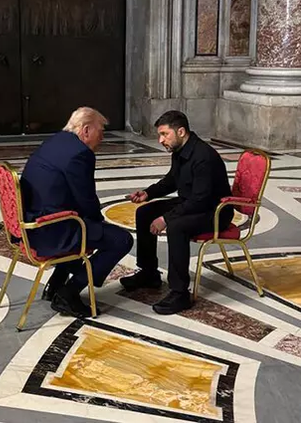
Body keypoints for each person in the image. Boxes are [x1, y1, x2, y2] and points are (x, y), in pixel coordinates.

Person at [20, 107, 134, 318]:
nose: (102, 137)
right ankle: (69, 292)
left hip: (32, 225)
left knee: (85, 226)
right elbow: (86, 199)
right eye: (101, 131)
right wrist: (99, 227)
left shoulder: (55, 141)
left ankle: (55, 284)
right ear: (86, 130)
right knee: (120, 240)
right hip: (51, 231)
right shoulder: (80, 154)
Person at [120, 110, 232, 314]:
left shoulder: (203, 157)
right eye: (160, 135)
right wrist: (148, 193)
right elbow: (173, 179)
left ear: (181, 131)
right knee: (144, 213)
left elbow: (201, 200)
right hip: (192, 203)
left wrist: (166, 218)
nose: (161, 140)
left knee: (177, 227)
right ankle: (149, 273)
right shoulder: (180, 150)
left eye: (164, 134)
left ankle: (180, 293)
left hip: (214, 212)